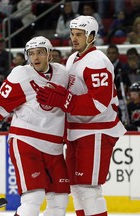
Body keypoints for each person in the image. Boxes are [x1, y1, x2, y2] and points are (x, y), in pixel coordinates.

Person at [0, 36, 70, 216]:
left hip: (54, 147)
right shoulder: (21, 74)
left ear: (50, 55)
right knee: (33, 200)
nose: (35, 57)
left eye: (40, 52)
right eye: (31, 54)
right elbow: (0, 104)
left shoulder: (63, 74)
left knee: (60, 202)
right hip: (26, 141)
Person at [37, 16, 127, 216]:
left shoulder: (97, 61)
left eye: (79, 35)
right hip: (77, 130)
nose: (74, 38)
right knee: (77, 188)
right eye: (72, 34)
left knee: (89, 189)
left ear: (92, 36)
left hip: (97, 130)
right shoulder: (72, 59)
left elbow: (99, 103)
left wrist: (63, 100)